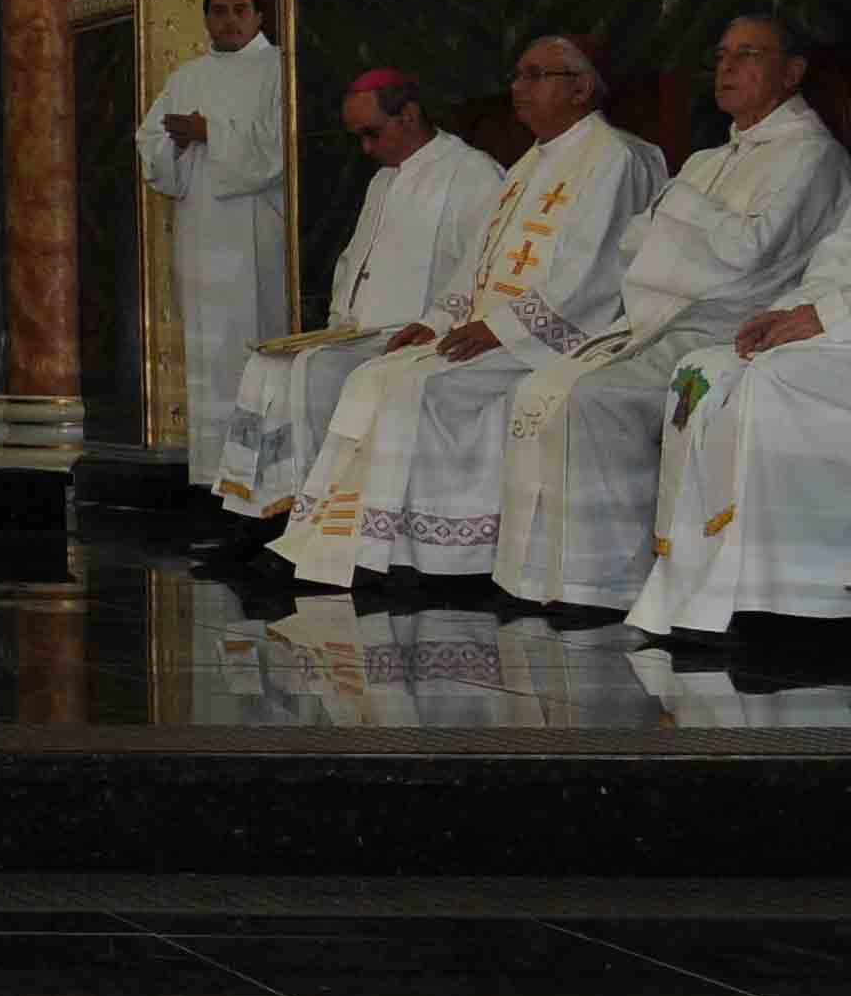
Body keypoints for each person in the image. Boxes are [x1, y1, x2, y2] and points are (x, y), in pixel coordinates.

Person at [485, 15, 851, 610]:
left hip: (730, 323)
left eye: (748, 55)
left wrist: (682, 211)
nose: (728, 68)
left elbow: (747, 258)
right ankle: (551, 579)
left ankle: (605, 585)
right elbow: (639, 242)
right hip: (664, 315)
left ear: (792, 72)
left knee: (592, 400)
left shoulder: (811, 156)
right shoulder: (711, 158)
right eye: (722, 55)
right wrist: (687, 229)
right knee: (543, 388)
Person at [277, 36, 670, 590]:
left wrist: (503, 329)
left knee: (425, 389)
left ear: (580, 88)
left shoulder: (615, 159)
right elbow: (477, 263)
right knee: (375, 376)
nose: (518, 87)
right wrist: (438, 320)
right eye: (518, 74)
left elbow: (595, 275)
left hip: (563, 336)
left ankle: (443, 560)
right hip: (496, 330)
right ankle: (361, 545)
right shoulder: (530, 162)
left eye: (536, 75)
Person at [207, 70, 504, 536]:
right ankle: (260, 517)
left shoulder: (472, 174)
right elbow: (354, 259)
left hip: (416, 334)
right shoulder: (384, 180)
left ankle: (320, 527)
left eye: (372, 133)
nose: (365, 148)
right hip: (363, 331)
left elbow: (483, 263)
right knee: (267, 367)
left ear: (408, 116)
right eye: (356, 137)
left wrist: (437, 321)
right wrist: (339, 320)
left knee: (312, 372)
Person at [630, 174, 851, 634]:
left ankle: (790, 592)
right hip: (845, 320)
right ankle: (695, 590)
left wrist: (826, 315)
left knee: (774, 377)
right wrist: (794, 310)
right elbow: (838, 257)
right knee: (701, 371)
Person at [139, 0, 293, 485]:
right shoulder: (187, 76)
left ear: (259, 17)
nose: (229, 21)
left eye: (240, 10)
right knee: (210, 352)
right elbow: (151, 144)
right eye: (219, 11)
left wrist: (212, 134)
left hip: (257, 235)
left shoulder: (280, 70)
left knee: (258, 350)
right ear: (206, 18)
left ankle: (265, 481)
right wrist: (177, 146)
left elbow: (280, 147)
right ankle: (214, 478)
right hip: (202, 234)